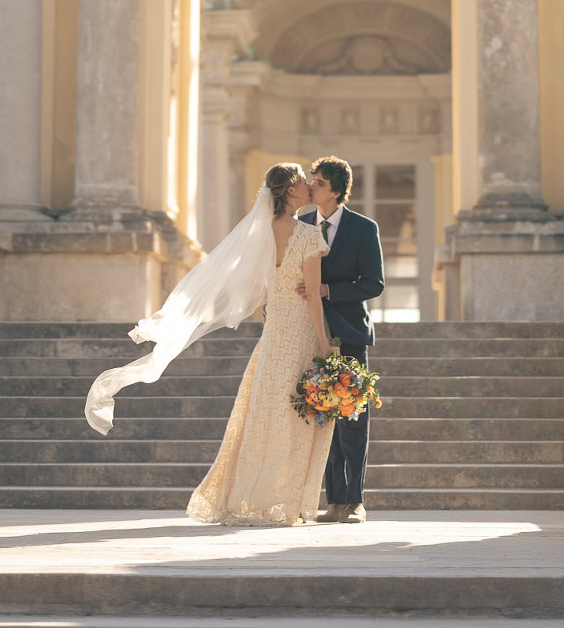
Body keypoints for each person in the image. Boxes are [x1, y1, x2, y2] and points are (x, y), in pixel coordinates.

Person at [84, 162, 334, 526]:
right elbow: (311, 295)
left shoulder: (261, 232)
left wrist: (270, 302)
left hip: (275, 329)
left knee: (264, 413)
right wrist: (324, 345)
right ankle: (282, 500)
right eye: (302, 184)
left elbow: (259, 285)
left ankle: (250, 497)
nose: (309, 189)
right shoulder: (309, 236)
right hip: (298, 330)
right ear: (289, 192)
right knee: (293, 414)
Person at [297, 155, 384, 525]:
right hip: (310, 333)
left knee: (352, 417)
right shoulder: (300, 225)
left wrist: (328, 289)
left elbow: (373, 284)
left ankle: (355, 502)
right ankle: (334, 502)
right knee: (322, 416)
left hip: (348, 333)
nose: (309, 186)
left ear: (334, 189)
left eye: (316, 181)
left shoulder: (364, 228)